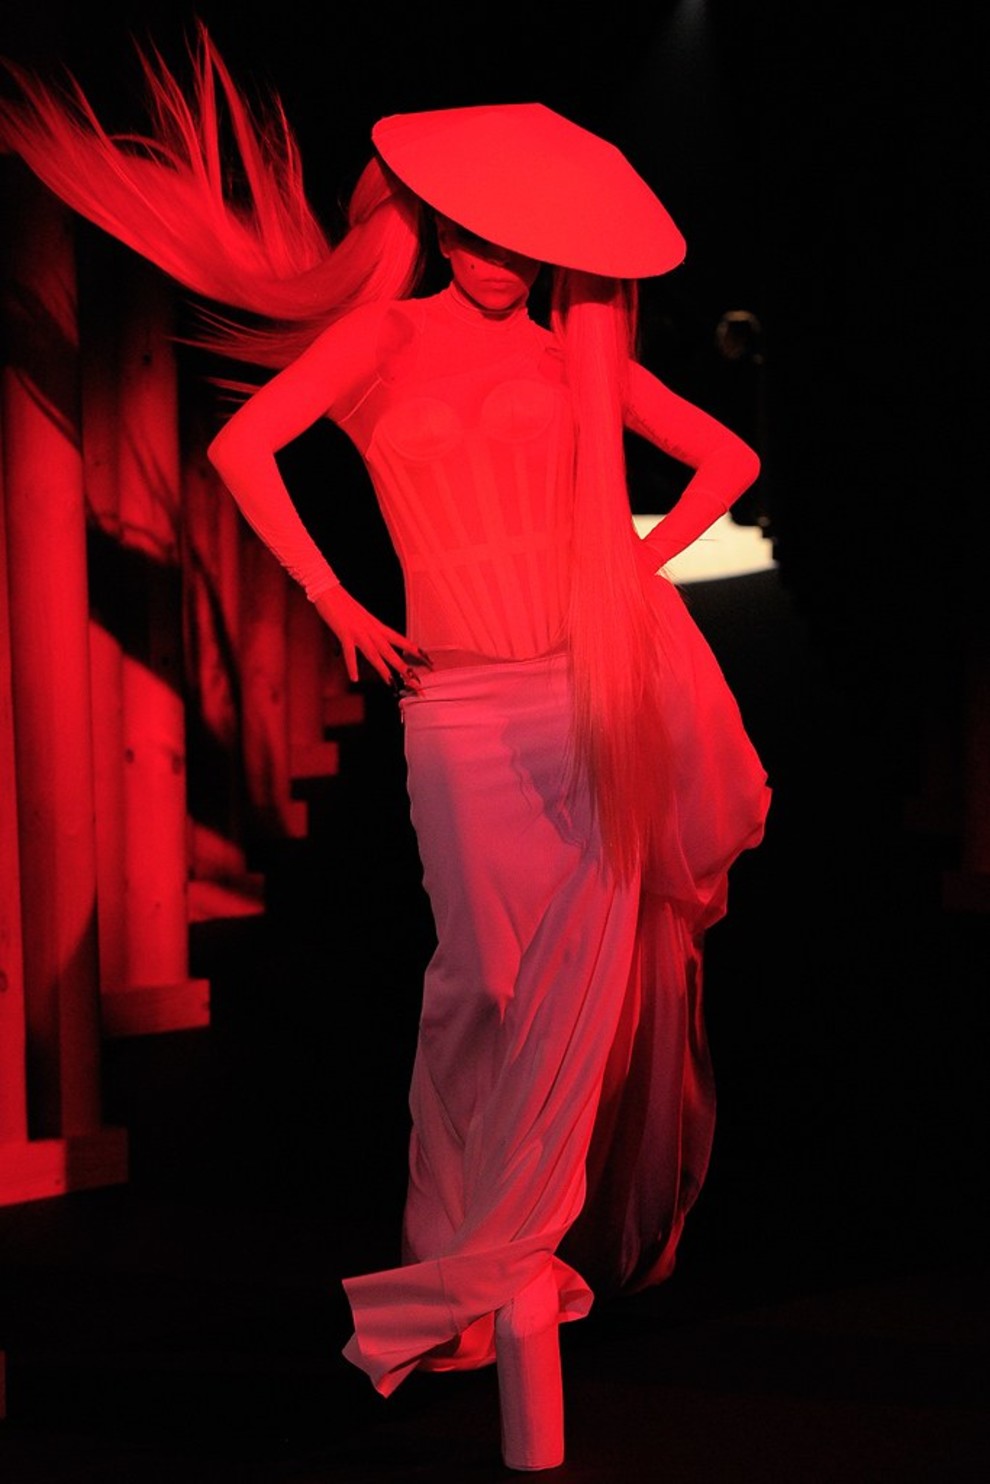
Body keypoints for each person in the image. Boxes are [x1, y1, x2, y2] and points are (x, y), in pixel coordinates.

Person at [0, 28, 770, 1471]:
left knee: (576, 991)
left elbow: (730, 459)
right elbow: (245, 451)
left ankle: (491, 1278)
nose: (498, 260)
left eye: (519, 242)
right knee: (480, 981)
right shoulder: (382, 336)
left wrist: (635, 565)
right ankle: (466, 1268)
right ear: (432, 226)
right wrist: (335, 599)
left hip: (585, 696)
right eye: (474, 234)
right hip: (459, 706)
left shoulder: (577, 356)